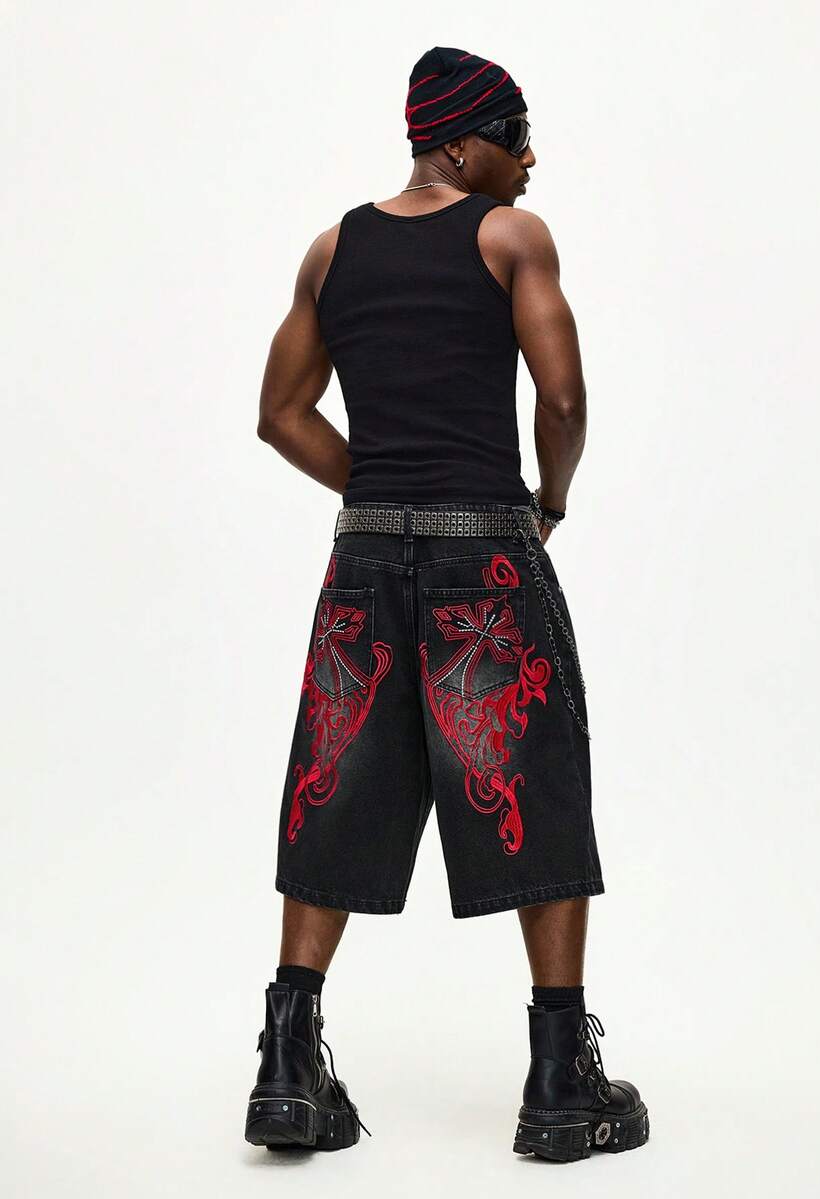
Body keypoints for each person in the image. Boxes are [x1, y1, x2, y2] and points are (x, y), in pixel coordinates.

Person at [245, 46, 648, 1164]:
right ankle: (560, 1082)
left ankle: (286, 1064)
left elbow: (280, 413)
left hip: (363, 564)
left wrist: (381, 490)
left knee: (333, 780)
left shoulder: (332, 249)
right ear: (463, 148)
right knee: (533, 777)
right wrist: (549, 501)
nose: (531, 160)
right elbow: (562, 395)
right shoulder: (510, 236)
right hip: (489, 561)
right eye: (516, 140)